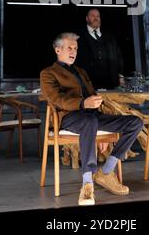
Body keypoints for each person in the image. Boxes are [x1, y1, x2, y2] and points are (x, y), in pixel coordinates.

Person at [41, 32, 143, 206]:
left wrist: (96, 108)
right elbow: (57, 100)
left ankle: (106, 171)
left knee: (135, 122)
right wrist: (82, 103)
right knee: (90, 122)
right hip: (69, 117)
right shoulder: (48, 73)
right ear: (58, 50)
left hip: (93, 117)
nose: (73, 51)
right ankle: (87, 182)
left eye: (76, 48)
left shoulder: (81, 71)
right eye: (69, 48)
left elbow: (92, 97)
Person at [76, 8, 124, 90]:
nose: (96, 18)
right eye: (93, 15)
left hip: (110, 83)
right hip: (88, 84)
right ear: (87, 18)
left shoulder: (109, 37)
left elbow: (118, 57)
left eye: (98, 16)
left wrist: (121, 76)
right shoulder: (78, 37)